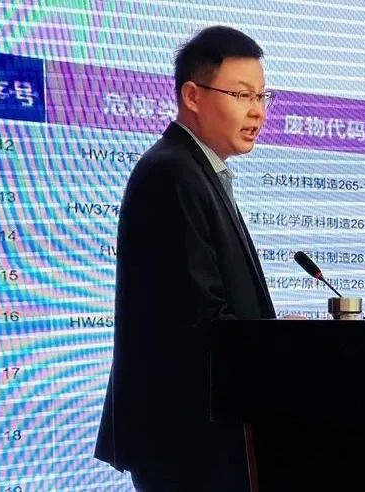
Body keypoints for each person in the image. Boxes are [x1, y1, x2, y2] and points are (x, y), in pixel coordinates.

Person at [94, 25, 276, 491]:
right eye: (241, 94)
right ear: (192, 96)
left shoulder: (197, 170)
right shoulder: (172, 174)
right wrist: (278, 344)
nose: (257, 110)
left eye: (262, 96)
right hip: (189, 442)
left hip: (203, 435)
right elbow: (195, 321)